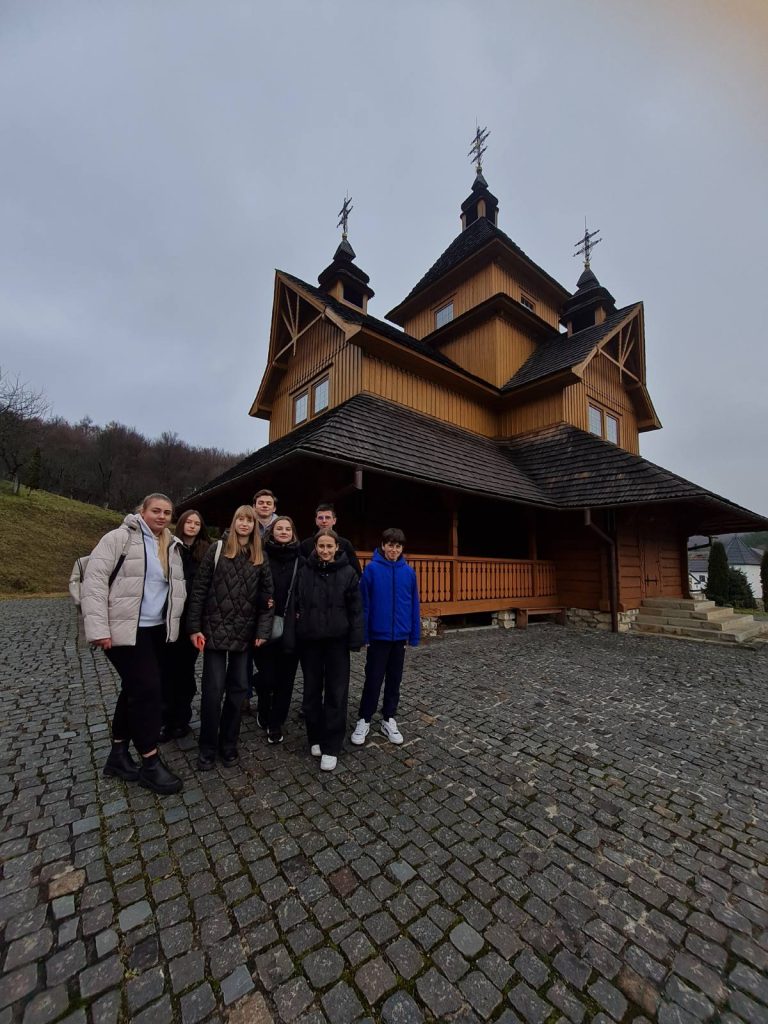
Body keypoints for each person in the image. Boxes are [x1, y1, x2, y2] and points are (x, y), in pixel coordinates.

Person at [81, 492, 186, 795]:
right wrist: (99, 628)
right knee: (149, 690)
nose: (162, 516)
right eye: (156, 510)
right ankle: (150, 761)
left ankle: (117, 755)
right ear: (142, 510)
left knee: (133, 689)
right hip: (126, 629)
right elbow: (95, 581)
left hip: (156, 630)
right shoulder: (118, 538)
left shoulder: (171, 545)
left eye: (167, 512)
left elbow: (174, 591)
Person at [186, 505, 274, 770]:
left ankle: (228, 744)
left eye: (250, 520)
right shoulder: (217, 550)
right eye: (241, 519)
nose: (245, 524)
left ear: (255, 525)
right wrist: (193, 627)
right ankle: (207, 747)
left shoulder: (260, 556)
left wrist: (262, 631)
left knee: (237, 691)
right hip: (213, 630)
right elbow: (199, 590)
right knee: (213, 692)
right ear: (234, 522)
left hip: (244, 634)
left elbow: (268, 599)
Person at [295, 529, 363, 771]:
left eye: (329, 546)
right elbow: (296, 603)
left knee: (336, 693)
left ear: (337, 548)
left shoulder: (348, 573)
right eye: (321, 546)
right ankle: (315, 736)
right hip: (310, 641)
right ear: (315, 547)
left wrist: (356, 638)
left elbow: (356, 609)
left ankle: (332, 745)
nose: (325, 550)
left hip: (337, 642)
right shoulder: (304, 572)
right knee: (312, 692)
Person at [351, 528, 421, 747]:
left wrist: (414, 634)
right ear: (383, 546)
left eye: (398, 546)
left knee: (394, 680)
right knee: (373, 679)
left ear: (402, 549)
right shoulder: (371, 570)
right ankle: (364, 718)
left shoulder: (409, 573)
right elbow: (364, 605)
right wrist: (365, 634)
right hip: (378, 637)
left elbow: (414, 604)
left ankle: (389, 717)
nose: (393, 550)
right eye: (390, 545)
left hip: (399, 637)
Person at [161, 510, 211, 741]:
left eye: (197, 523)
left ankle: (182, 718)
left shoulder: (207, 550)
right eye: (189, 522)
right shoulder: (169, 546)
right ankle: (165, 719)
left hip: (193, 619)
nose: (192, 526)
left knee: (185, 671)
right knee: (166, 671)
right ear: (181, 524)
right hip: (169, 617)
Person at [254, 516, 303, 744]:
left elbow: (307, 590)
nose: (283, 532)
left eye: (287, 529)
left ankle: (276, 723)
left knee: (286, 679)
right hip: (265, 624)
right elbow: (251, 586)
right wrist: (262, 598)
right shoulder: (261, 557)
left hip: (292, 626)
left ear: (293, 533)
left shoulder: (301, 560)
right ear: (271, 532)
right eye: (279, 528)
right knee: (266, 677)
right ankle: (263, 709)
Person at [299, 503, 361, 575]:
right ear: (316, 521)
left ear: (334, 521)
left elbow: (356, 572)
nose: (324, 521)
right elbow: (301, 572)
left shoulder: (345, 544)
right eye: (320, 518)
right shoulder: (305, 544)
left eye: (327, 517)